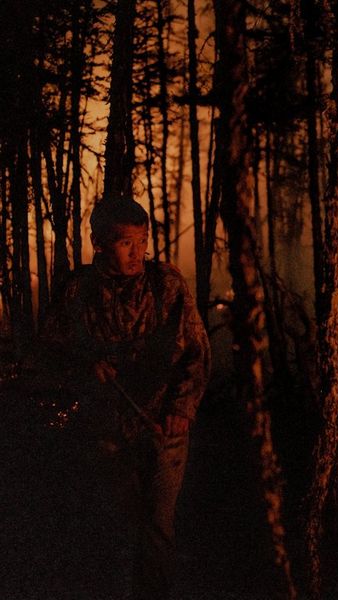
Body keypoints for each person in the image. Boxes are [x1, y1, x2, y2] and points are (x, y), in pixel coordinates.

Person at [39, 198, 210, 600]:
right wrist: (85, 368)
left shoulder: (165, 284)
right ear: (99, 243)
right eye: (126, 243)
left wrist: (182, 409)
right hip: (107, 432)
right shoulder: (78, 291)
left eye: (143, 241)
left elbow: (197, 352)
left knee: (157, 527)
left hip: (163, 427)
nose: (138, 253)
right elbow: (49, 352)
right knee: (117, 526)